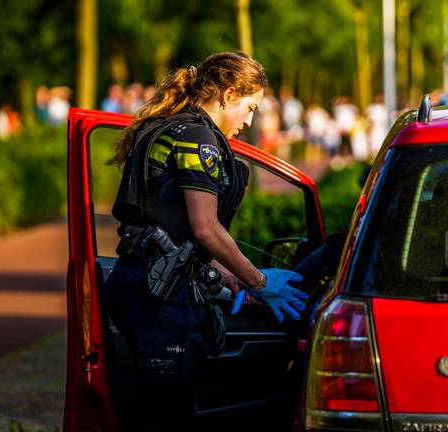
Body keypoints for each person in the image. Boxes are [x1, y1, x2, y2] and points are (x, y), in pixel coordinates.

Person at [103, 52, 308, 431]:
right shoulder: (198, 139)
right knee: (165, 417)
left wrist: (227, 274)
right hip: (159, 300)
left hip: (146, 286)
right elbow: (206, 229)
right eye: (250, 107)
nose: (249, 121)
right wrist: (258, 281)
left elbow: (174, 230)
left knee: (164, 411)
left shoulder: (170, 127)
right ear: (228, 94)